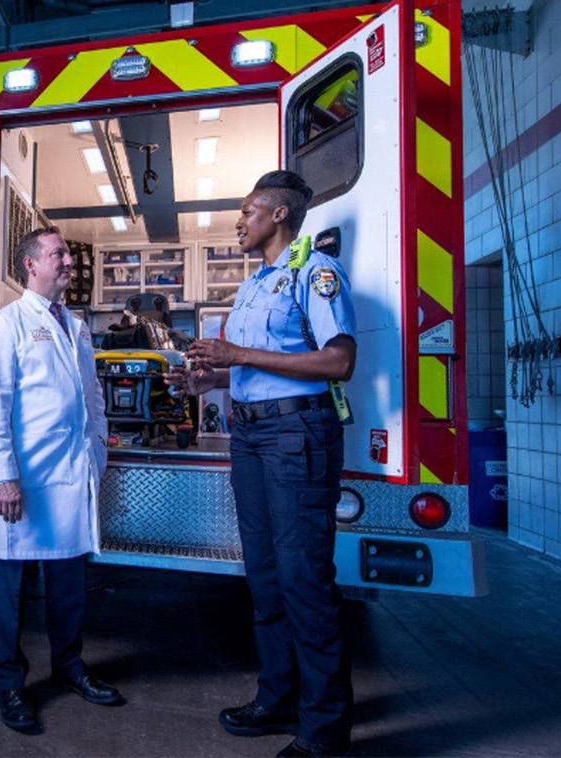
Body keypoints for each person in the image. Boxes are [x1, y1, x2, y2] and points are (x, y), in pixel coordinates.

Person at [169, 171, 357, 757]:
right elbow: (253, 368)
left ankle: (324, 730)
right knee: (266, 577)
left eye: (248, 211)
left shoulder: (315, 274)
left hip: (296, 435)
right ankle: (278, 699)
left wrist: (238, 354)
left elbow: (337, 362)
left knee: (304, 580)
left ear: (278, 215)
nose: (239, 221)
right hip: (249, 437)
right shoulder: (254, 286)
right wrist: (207, 379)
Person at [0, 227, 121, 733]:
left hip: (72, 477)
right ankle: (10, 685)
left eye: (69, 256)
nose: (69, 263)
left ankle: (70, 667)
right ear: (31, 265)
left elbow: (91, 395)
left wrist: (97, 447)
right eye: (58, 254)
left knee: (69, 586)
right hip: (27, 481)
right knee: (10, 592)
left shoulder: (75, 325)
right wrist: (3, 478)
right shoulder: (7, 323)